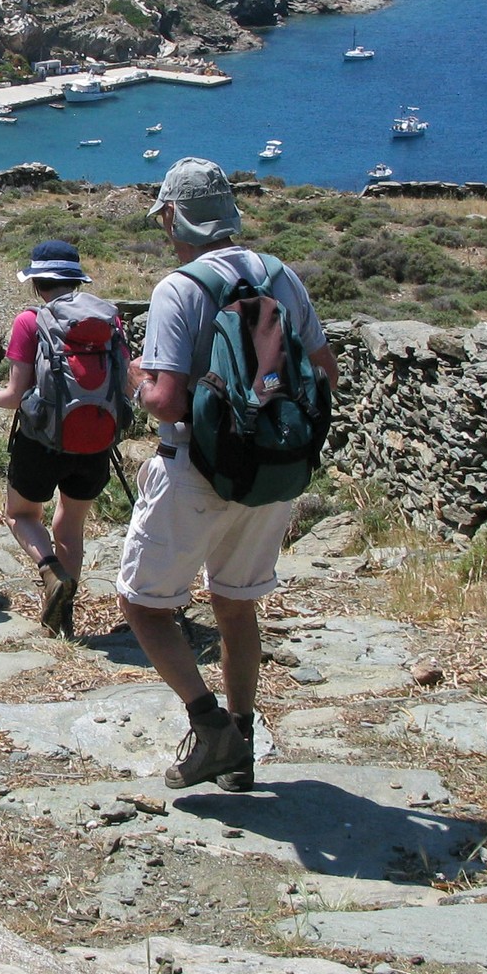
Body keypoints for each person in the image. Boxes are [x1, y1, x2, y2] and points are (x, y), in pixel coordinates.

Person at [119, 158, 333, 792]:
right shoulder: (280, 275)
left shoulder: (178, 288)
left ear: (171, 216)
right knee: (237, 604)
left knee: (145, 604)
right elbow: (324, 372)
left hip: (196, 467)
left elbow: (163, 400)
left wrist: (136, 378)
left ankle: (209, 727)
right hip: (270, 471)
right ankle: (242, 736)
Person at [0, 239, 129, 638]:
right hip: (95, 441)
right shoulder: (109, 319)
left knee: (20, 514)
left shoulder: (30, 321)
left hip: (41, 441)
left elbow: (12, 396)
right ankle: (64, 618)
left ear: (37, 283)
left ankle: (50, 572)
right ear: (76, 279)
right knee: (71, 526)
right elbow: (125, 383)